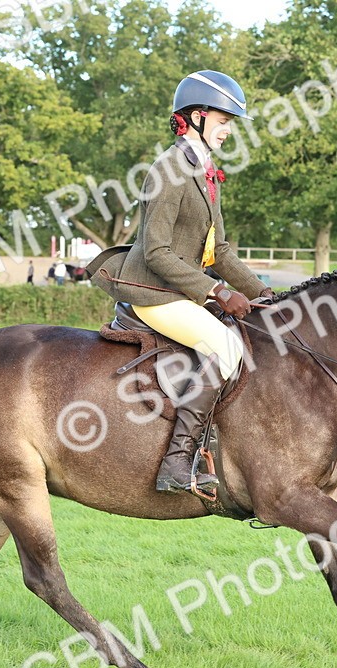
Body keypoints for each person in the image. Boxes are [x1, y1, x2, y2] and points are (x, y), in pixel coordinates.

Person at [90, 70, 274, 495]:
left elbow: (220, 250)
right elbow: (155, 251)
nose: (228, 130)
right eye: (223, 120)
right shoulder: (168, 168)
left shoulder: (204, 171)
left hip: (179, 290)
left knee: (245, 334)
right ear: (194, 117)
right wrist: (216, 291)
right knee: (227, 348)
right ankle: (178, 461)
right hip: (152, 291)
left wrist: (263, 293)